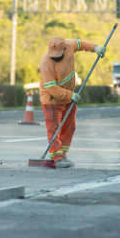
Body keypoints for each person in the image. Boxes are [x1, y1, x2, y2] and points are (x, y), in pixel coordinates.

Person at [39, 36, 106, 168]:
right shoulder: (46, 63)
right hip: (51, 100)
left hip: (69, 97)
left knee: (70, 127)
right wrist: (70, 95)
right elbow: (51, 88)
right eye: (53, 54)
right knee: (54, 129)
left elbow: (81, 44)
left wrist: (95, 48)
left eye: (58, 54)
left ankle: (62, 155)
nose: (55, 57)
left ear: (64, 49)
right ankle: (56, 158)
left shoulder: (70, 45)